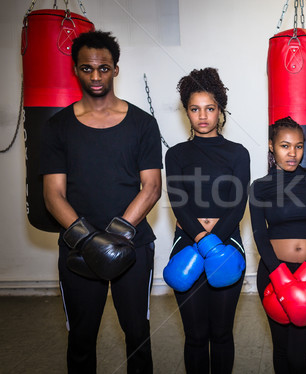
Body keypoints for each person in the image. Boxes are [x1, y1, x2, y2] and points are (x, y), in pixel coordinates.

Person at [40, 30, 162, 373]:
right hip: (78, 249)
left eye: (104, 68)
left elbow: (151, 187)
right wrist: (92, 241)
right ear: (75, 70)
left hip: (133, 247)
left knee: (138, 333)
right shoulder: (57, 127)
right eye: (87, 68)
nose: (96, 76)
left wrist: (117, 237)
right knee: (80, 338)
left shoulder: (143, 124)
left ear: (116, 69)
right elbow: (53, 194)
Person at [163, 67, 249, 374]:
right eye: (195, 109)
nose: (202, 116)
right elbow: (178, 202)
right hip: (186, 243)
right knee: (196, 335)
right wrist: (202, 238)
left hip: (228, 241)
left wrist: (215, 240)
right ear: (186, 111)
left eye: (209, 108)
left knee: (222, 333)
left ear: (220, 110)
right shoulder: (175, 155)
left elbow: (238, 204)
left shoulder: (238, 154)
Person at [249, 116, 306, 374]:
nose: (293, 153)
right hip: (274, 274)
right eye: (285, 146)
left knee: (300, 357)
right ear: (272, 146)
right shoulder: (259, 188)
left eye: (298, 146)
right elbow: (259, 234)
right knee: (282, 350)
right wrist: (279, 274)